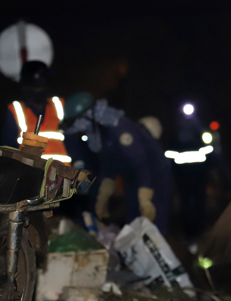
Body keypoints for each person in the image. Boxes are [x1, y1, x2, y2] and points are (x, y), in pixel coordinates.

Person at [61, 91, 171, 234]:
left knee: (152, 218)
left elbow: (141, 162)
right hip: (132, 175)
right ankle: (137, 254)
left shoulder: (119, 128)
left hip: (154, 175)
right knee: (134, 218)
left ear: (88, 116)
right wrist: (104, 193)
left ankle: (157, 252)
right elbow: (110, 162)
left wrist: (145, 197)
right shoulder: (99, 133)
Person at [3, 60, 70, 163]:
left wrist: (79, 163)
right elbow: (9, 147)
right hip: (30, 175)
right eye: (35, 88)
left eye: (41, 88)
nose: (38, 92)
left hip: (62, 174)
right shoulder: (16, 110)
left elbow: (72, 140)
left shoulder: (59, 106)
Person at [167, 106, 213, 253]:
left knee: (196, 204)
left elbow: (209, 150)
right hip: (187, 176)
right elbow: (169, 154)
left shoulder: (199, 132)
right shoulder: (176, 134)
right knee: (188, 205)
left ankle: (197, 233)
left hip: (195, 175)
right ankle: (190, 235)